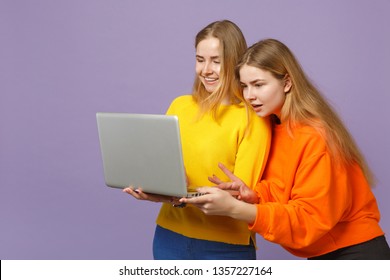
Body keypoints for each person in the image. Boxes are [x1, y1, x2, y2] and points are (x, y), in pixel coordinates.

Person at [181, 38, 390, 260]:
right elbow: (285, 187)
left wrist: (235, 209)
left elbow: (309, 218)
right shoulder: (274, 126)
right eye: (244, 86)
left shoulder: (315, 135)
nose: (249, 95)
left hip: (356, 254)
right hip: (325, 254)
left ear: (287, 83)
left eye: (259, 85)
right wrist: (255, 196)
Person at [123, 20, 271, 260]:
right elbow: (164, 169)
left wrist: (177, 197)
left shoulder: (252, 117)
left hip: (225, 246)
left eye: (216, 61)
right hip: (169, 236)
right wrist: (158, 189)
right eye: (200, 60)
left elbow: (243, 193)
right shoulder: (180, 105)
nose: (206, 70)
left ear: (234, 63)